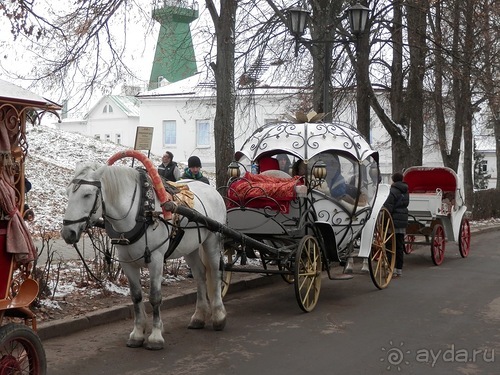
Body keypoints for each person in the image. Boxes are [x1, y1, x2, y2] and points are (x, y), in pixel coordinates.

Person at [383, 172, 409, 278]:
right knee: (399, 246)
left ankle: (391, 269)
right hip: (402, 220)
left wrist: (384, 222)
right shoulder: (406, 191)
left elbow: (388, 208)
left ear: (393, 180)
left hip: (393, 221)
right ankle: (399, 269)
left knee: (390, 246)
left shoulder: (392, 191)